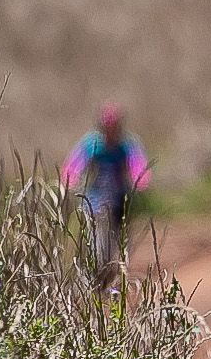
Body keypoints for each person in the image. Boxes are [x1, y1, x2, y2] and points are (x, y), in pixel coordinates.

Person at [61, 103, 149, 279]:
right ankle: (95, 272)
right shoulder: (92, 143)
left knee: (120, 240)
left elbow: (138, 165)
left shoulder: (126, 144)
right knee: (94, 240)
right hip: (94, 200)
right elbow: (73, 165)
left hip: (119, 199)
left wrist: (140, 181)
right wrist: (70, 179)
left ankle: (118, 272)